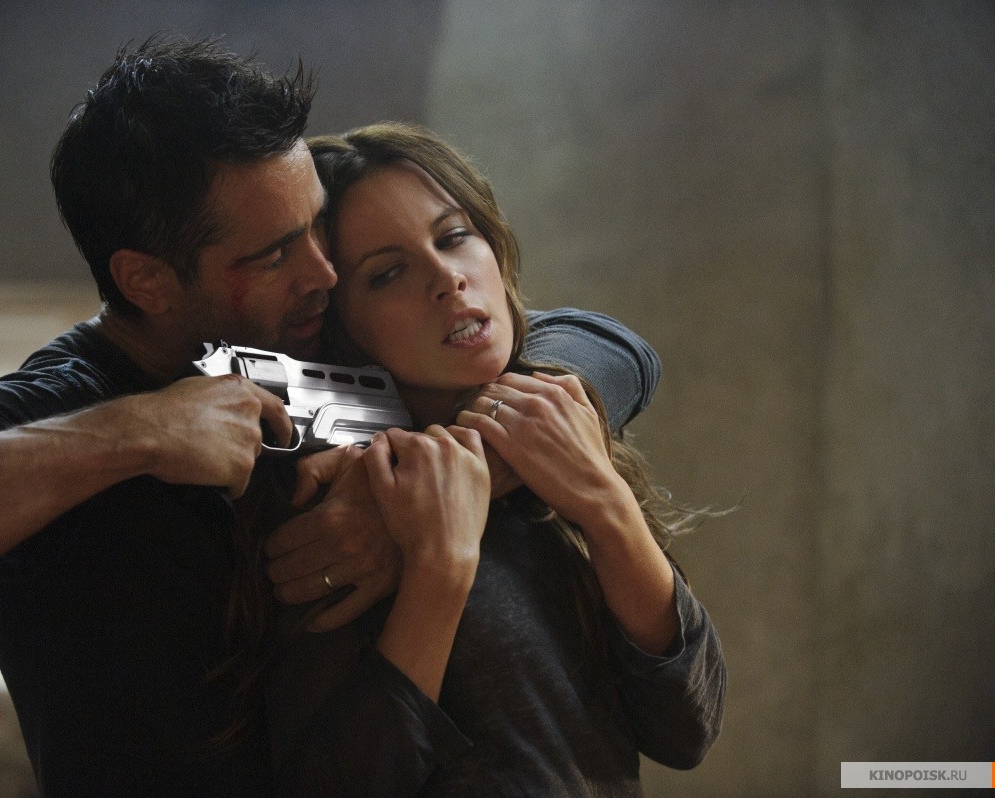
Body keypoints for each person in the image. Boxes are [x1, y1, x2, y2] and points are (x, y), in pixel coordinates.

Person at [0, 38, 661, 796]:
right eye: (277, 253)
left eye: (315, 227)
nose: (324, 273)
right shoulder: (62, 403)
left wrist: (466, 470)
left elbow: (602, 343)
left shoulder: (300, 359)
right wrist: (136, 435)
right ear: (145, 280)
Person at [227, 123, 725, 796]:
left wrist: (603, 503)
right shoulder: (334, 497)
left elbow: (688, 726)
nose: (446, 278)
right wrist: (437, 566)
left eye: (454, 236)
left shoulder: (553, 436)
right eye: (388, 274)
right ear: (342, 323)